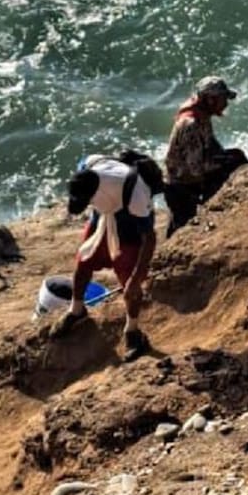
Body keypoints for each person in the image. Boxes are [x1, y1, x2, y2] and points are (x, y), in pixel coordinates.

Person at [53, 151, 164, 362]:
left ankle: (133, 333)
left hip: (129, 226)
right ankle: (76, 310)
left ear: (96, 191)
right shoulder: (87, 165)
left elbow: (149, 238)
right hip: (103, 219)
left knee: (129, 283)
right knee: (83, 262)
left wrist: (137, 277)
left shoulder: (136, 193)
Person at [163, 76, 248, 237]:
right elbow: (195, 168)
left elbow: (211, 145)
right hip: (182, 185)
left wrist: (228, 158)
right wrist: (225, 165)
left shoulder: (202, 114)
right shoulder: (191, 124)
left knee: (236, 157)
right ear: (210, 99)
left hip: (187, 179)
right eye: (223, 99)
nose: (225, 104)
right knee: (181, 229)